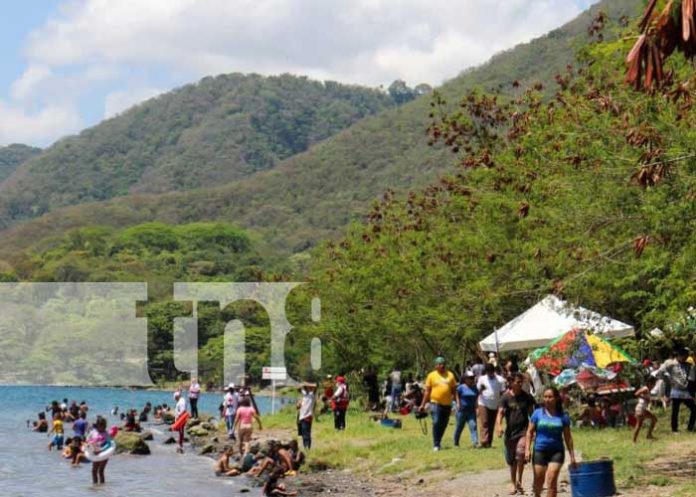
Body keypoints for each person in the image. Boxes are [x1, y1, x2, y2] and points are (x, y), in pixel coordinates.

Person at [525, 387, 576, 497]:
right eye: (545, 397)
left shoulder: (563, 416)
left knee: (552, 479)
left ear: (556, 398)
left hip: (556, 451)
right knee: (538, 481)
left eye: (550, 397)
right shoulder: (537, 413)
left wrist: (572, 455)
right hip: (540, 450)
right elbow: (529, 432)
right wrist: (527, 450)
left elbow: (568, 437)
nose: (547, 399)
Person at [497, 373, 536, 495]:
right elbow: (500, 413)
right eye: (518, 382)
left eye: (521, 382)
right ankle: (513, 483)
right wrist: (498, 426)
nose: (520, 384)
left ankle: (519, 480)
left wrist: (533, 430)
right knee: (512, 461)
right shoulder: (505, 398)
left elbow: (532, 415)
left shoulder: (527, 397)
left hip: (523, 432)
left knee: (520, 455)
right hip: (510, 433)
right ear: (511, 382)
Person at [419, 356, 457, 451]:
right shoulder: (431, 376)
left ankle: (438, 440)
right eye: (440, 364)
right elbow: (427, 391)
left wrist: (456, 402)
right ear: (436, 366)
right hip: (435, 403)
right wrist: (422, 405)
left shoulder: (450, 375)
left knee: (444, 424)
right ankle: (436, 444)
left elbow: (454, 391)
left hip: (447, 404)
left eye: (443, 363)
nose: (442, 365)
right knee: (436, 422)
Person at [655, 347, 696, 433]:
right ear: (679, 356)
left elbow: (692, 379)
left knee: (694, 409)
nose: (685, 358)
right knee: (675, 411)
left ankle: (690, 427)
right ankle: (674, 429)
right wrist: (667, 380)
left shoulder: (689, 365)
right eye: (684, 356)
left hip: (686, 391)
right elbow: (660, 373)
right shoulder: (670, 363)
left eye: (686, 356)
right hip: (676, 390)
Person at [477, 363, 506, 448]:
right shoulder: (482, 379)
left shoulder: (500, 380)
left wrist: (502, 405)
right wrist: (481, 389)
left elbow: (502, 393)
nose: (490, 374)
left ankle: (489, 442)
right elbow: (478, 390)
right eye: (488, 372)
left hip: (495, 404)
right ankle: (483, 441)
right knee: (484, 422)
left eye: (491, 372)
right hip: (483, 403)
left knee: (491, 424)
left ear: (494, 371)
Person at [454, 371, 479, 448]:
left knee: (473, 426)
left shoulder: (475, 388)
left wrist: (477, 405)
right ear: (465, 379)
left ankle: (475, 442)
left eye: (473, 378)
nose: (472, 380)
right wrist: (458, 403)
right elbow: (457, 394)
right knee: (459, 427)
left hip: (471, 411)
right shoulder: (461, 387)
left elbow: (477, 396)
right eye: (470, 378)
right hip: (462, 411)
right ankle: (456, 442)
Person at [633, 376, 658, 443]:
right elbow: (636, 394)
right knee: (639, 425)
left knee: (654, 419)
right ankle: (634, 441)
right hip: (640, 408)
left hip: (643, 408)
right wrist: (645, 399)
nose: (654, 385)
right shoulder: (645, 388)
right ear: (650, 383)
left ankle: (649, 435)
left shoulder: (648, 390)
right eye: (654, 383)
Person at [87, 416, 111, 484]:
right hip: (96, 453)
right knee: (94, 471)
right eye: (101, 425)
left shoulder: (106, 434)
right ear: (97, 425)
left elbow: (109, 444)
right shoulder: (93, 432)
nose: (103, 427)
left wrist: (102, 450)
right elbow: (88, 440)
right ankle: (95, 485)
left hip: (104, 453)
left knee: (100, 471)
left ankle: (102, 485)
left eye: (104, 425)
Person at [297, 383, 317, 449]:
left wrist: (306, 384)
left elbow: (315, 386)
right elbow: (298, 388)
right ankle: (305, 447)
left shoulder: (312, 395)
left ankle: (307, 447)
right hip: (301, 416)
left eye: (307, 387)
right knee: (302, 433)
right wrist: (299, 405)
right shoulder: (304, 395)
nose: (307, 388)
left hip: (307, 416)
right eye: (306, 388)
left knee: (306, 433)